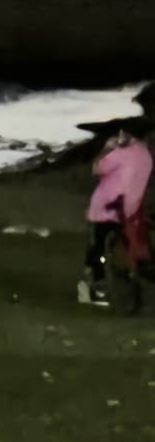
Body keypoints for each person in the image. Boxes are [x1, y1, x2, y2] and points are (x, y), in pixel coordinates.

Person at [79, 127, 152, 307]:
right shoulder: (146, 156)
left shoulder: (122, 151)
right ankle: (130, 280)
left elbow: (98, 167)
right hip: (128, 210)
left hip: (106, 208)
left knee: (97, 249)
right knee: (124, 247)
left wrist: (108, 147)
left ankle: (98, 292)